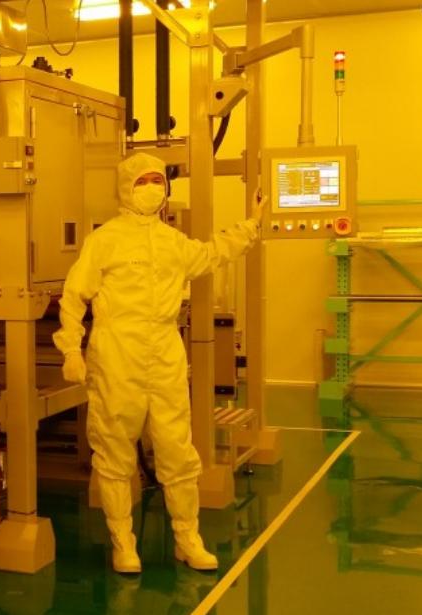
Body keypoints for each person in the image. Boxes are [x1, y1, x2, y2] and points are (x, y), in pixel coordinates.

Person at [53, 152, 266, 574]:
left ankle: (188, 540)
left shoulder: (172, 242)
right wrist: (71, 350)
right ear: (126, 188)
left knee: (177, 449)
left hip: (165, 351)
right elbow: (74, 296)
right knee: (114, 451)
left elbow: (213, 252)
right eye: (142, 181)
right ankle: (123, 544)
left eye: (157, 181)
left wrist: (253, 223)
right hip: (117, 353)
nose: (151, 189)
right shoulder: (105, 240)